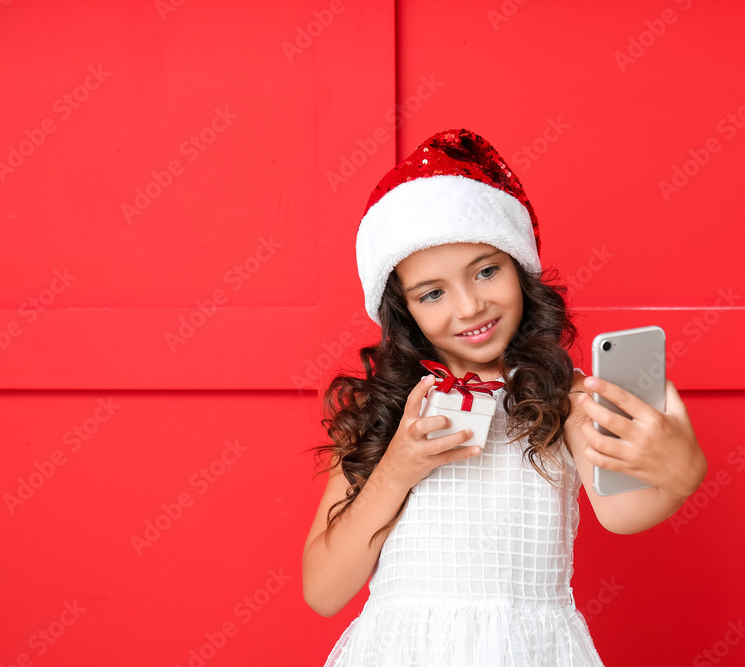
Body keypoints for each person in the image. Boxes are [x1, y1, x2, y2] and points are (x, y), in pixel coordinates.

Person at [302, 128, 707, 665]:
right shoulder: (383, 416)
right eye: (433, 293)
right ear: (404, 313)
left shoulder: (564, 398)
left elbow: (623, 511)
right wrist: (396, 470)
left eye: (487, 271)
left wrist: (681, 473)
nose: (469, 307)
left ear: (520, 269)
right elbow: (323, 591)